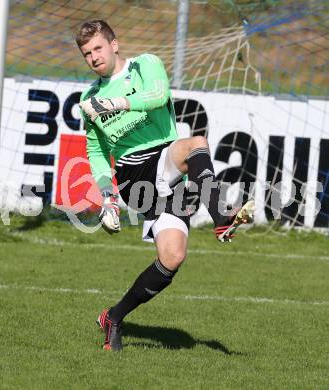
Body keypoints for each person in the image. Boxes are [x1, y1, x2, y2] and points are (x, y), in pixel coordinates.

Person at [76, 20, 254, 351]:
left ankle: (114, 317)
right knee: (196, 143)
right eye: (87, 53)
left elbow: (158, 96)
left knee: (172, 257)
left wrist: (116, 104)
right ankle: (221, 217)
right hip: (134, 173)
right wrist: (106, 197)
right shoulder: (89, 98)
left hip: (170, 172)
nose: (93, 57)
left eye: (98, 48)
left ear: (114, 45)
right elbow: (97, 152)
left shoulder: (146, 65)